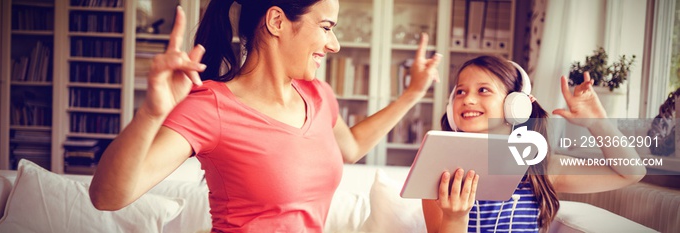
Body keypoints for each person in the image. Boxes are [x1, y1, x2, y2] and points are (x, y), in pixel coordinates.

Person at [88, 0, 442, 232]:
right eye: (326, 27)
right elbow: (108, 197)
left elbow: (350, 148)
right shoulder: (211, 106)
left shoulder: (317, 95)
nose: (334, 44)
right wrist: (151, 113)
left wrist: (412, 94)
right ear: (276, 21)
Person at [422, 55, 647, 233]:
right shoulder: (439, 170)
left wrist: (598, 124)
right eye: (460, 91)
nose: (467, 99)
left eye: (483, 90)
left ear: (515, 104)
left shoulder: (540, 167)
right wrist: (455, 217)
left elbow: (630, 173)